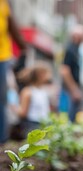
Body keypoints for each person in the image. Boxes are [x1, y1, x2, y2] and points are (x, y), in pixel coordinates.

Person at [0, 0, 27, 143]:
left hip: (2, 56)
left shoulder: (4, 3)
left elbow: (12, 26)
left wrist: (23, 46)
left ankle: (2, 139)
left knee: (1, 99)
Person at [10, 62, 52, 140]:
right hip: (31, 126)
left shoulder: (44, 91)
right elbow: (23, 113)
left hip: (43, 125)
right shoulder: (28, 92)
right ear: (40, 74)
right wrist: (13, 106)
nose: (49, 76)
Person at [59, 24, 83, 122]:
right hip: (69, 91)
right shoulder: (70, 49)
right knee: (67, 119)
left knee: (72, 118)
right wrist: (74, 90)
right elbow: (64, 70)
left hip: (72, 90)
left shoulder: (76, 50)